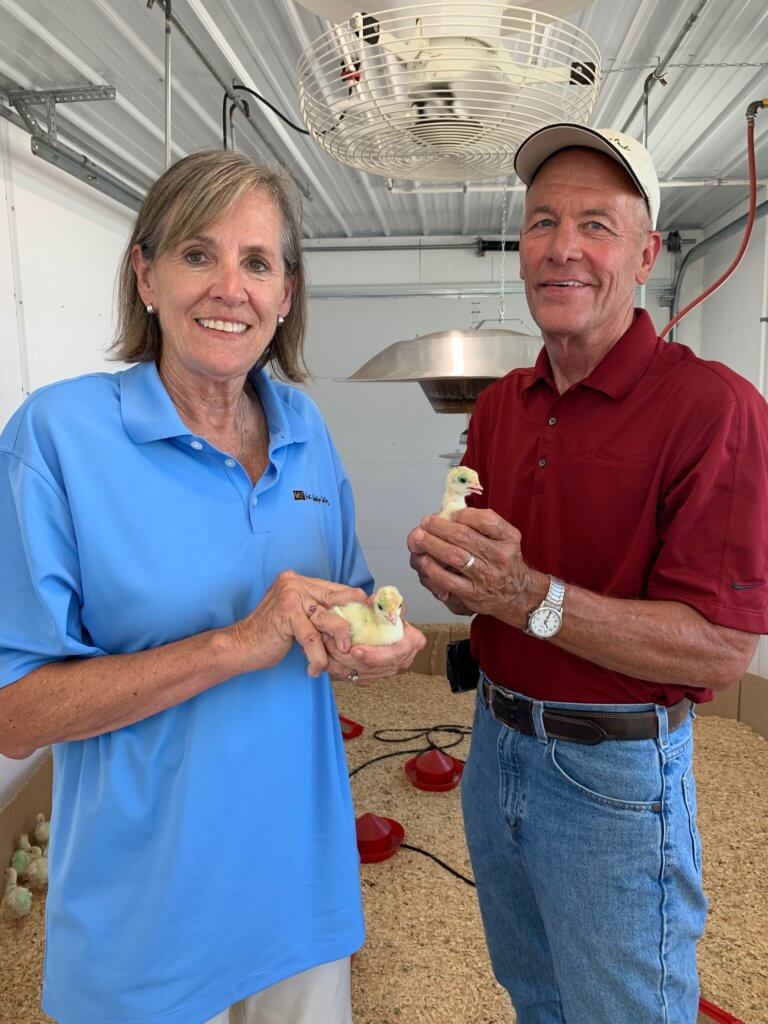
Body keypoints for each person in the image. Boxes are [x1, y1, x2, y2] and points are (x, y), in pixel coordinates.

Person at [0, 150, 424, 1024]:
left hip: (300, 904)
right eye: (199, 253)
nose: (231, 288)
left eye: (258, 262)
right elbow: (15, 714)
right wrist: (235, 644)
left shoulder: (305, 426)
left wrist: (376, 638)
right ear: (145, 275)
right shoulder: (57, 437)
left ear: (286, 295)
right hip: (146, 930)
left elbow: (343, 601)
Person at [408, 124, 768, 1024]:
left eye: (596, 225)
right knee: (535, 997)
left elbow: (722, 648)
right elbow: (491, 574)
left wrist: (526, 596)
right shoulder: (503, 403)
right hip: (494, 745)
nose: (562, 246)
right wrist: (454, 574)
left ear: (646, 254)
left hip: (613, 776)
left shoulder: (713, 407)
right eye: (542, 221)